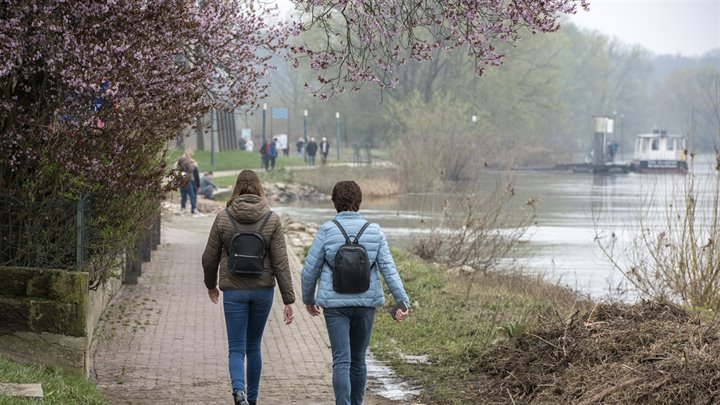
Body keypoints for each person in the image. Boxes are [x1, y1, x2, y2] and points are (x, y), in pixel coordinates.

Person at [301, 180, 410, 405]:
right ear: (359, 202)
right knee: (359, 360)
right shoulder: (374, 231)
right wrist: (402, 301)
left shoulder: (327, 230)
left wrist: (309, 299)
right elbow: (389, 269)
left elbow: (309, 271)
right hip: (365, 304)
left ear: (335, 203)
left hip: (335, 306)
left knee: (341, 361)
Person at [202, 170, 296, 405]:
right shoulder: (272, 219)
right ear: (259, 188)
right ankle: (252, 400)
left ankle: (238, 392)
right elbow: (281, 262)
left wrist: (211, 285)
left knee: (236, 347)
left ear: (236, 188)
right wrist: (288, 299)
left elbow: (208, 257)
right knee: (254, 346)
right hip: (263, 290)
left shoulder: (224, 217)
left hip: (233, 290)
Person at [177, 149, 201, 216]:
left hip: (181, 180)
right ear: (189, 154)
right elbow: (190, 169)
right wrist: (194, 165)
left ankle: (183, 209)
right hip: (188, 180)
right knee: (192, 195)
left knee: (183, 195)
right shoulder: (187, 160)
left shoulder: (180, 160)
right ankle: (194, 209)